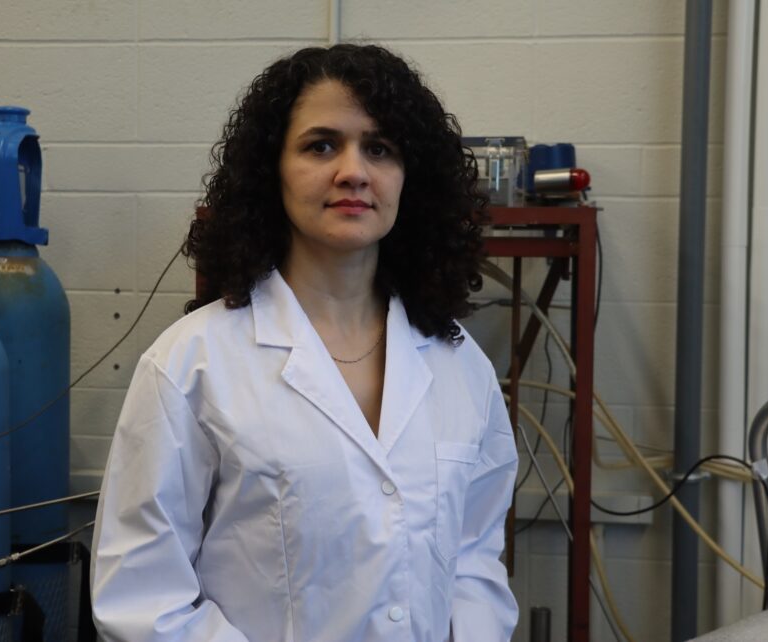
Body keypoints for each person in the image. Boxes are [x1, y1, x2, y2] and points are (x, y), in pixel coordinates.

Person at [91, 44, 519, 642]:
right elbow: (142, 596)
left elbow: (473, 556)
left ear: (408, 177)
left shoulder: (457, 362)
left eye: (380, 148)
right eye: (321, 145)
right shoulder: (191, 364)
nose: (353, 171)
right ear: (273, 171)